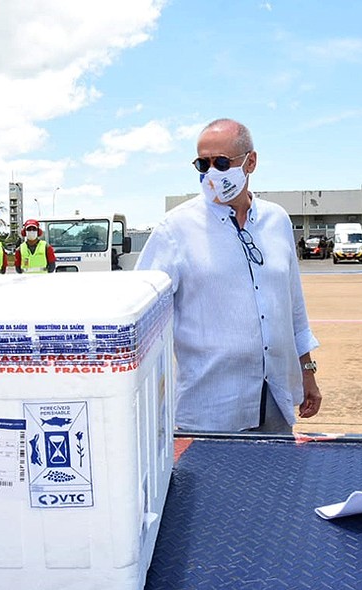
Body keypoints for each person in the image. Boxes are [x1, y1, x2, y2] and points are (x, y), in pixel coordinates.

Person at [136, 118, 321, 433]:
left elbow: (293, 307)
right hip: (209, 410)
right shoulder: (174, 230)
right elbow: (143, 317)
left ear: (251, 162)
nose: (211, 174)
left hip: (274, 400)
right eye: (202, 164)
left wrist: (307, 371)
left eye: (221, 163)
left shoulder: (277, 221)